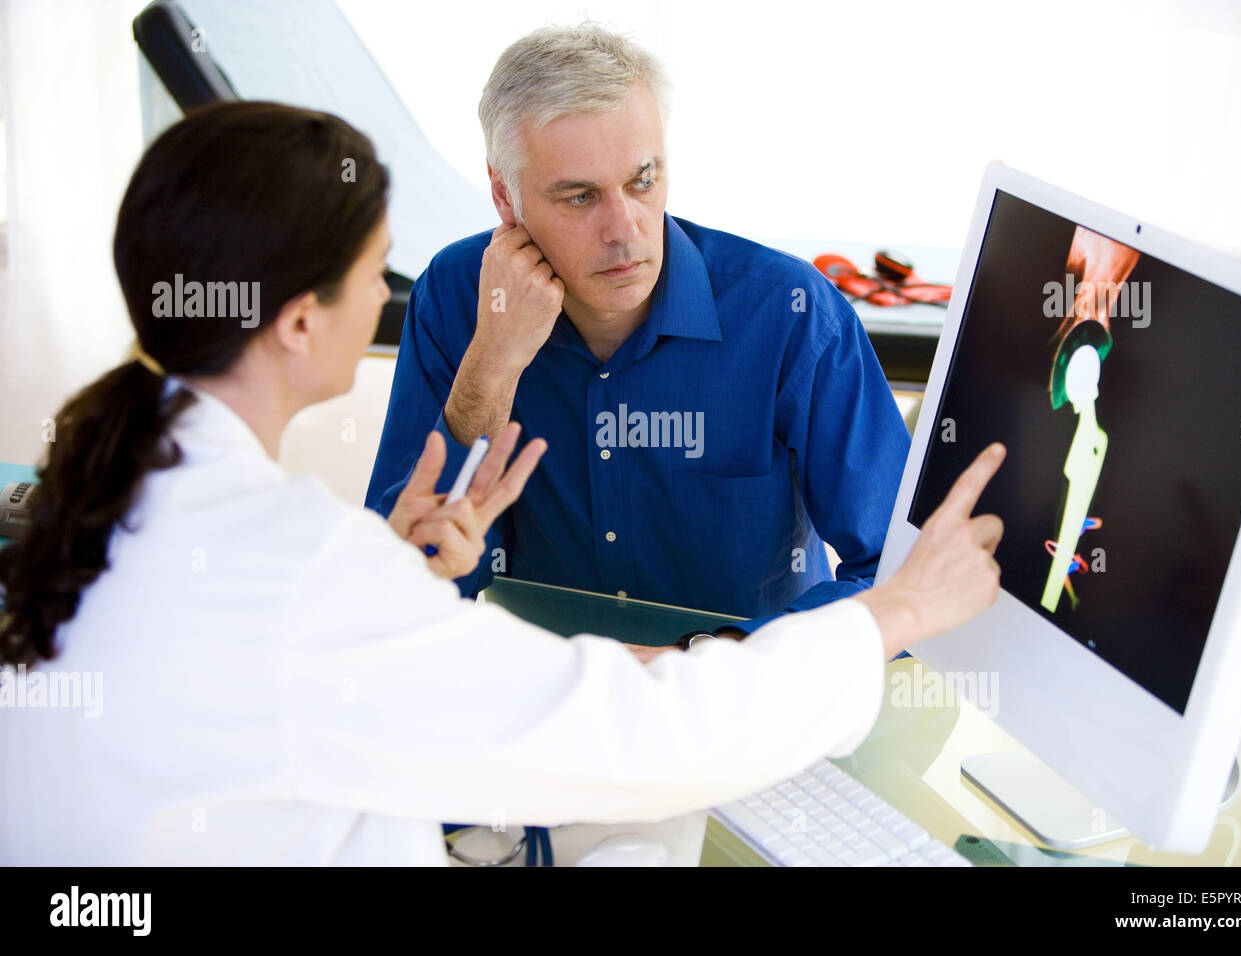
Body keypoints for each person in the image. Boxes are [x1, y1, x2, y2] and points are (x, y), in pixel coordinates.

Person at [0, 101, 1004, 865]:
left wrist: (392, 571)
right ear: (300, 322)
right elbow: (640, 740)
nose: (392, 294)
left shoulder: (104, 490)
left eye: (642, 180)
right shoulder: (307, 569)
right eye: (373, 270)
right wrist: (889, 612)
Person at [366, 24, 912, 661]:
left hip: (742, 706)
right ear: (504, 197)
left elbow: (904, 578)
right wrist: (490, 367)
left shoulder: (790, 313)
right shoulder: (458, 298)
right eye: (580, 196)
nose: (624, 230)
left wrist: (713, 660)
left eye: (643, 180)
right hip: (538, 696)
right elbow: (399, 585)